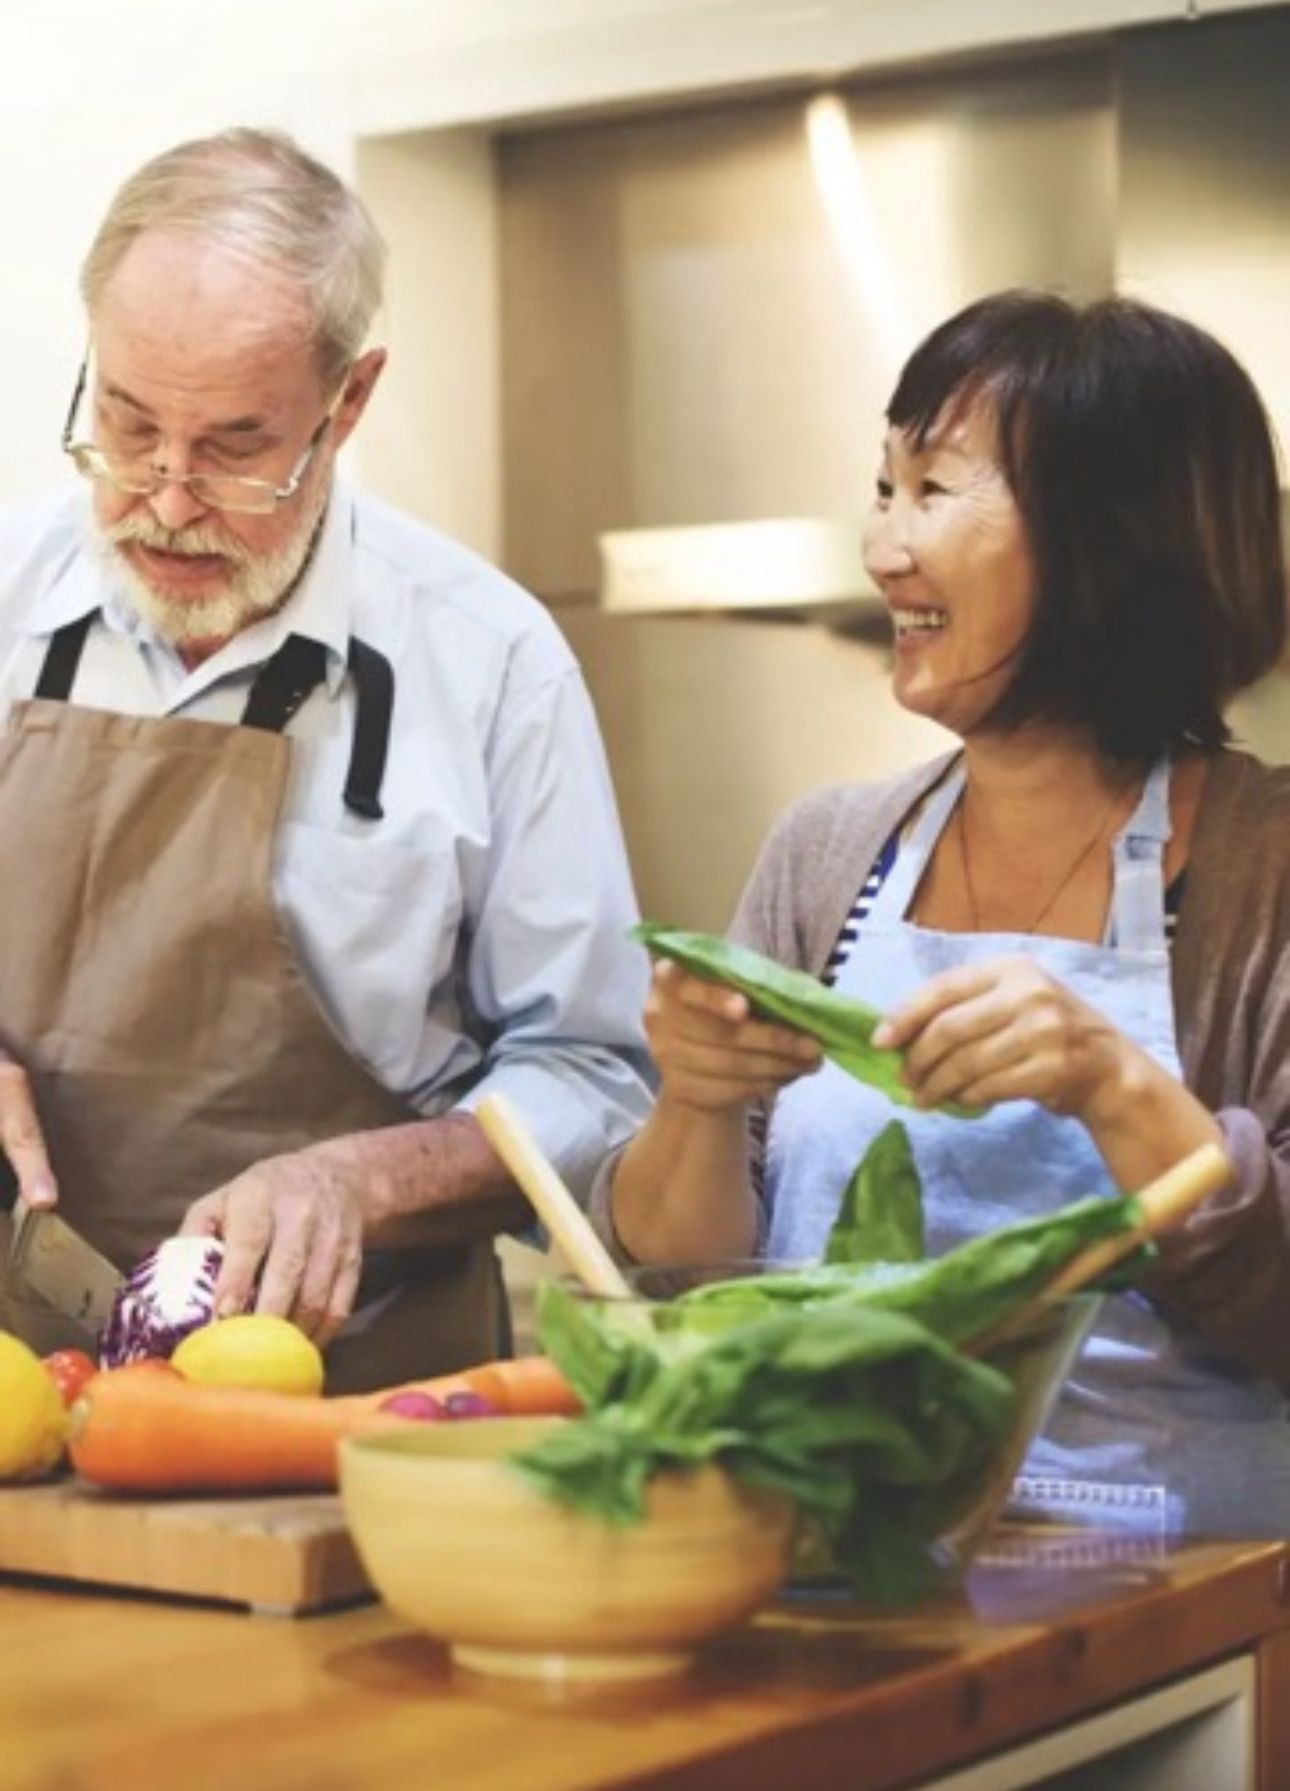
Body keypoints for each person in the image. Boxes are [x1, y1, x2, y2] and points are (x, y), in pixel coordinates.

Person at [600, 289, 1290, 1536]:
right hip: (837, 1551)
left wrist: (1115, 1086)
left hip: (1184, 1608)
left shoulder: (1270, 868)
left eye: (935, 491)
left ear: (1110, 538)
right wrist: (696, 1098)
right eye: (884, 489)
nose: (883, 548)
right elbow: (687, 1274)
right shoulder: (829, 851)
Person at [0, 127, 654, 1391]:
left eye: (237, 446)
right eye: (129, 427)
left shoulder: (493, 666)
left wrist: (367, 1178)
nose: (170, 498)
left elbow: (600, 1078)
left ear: (349, 401)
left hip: (355, 1411)